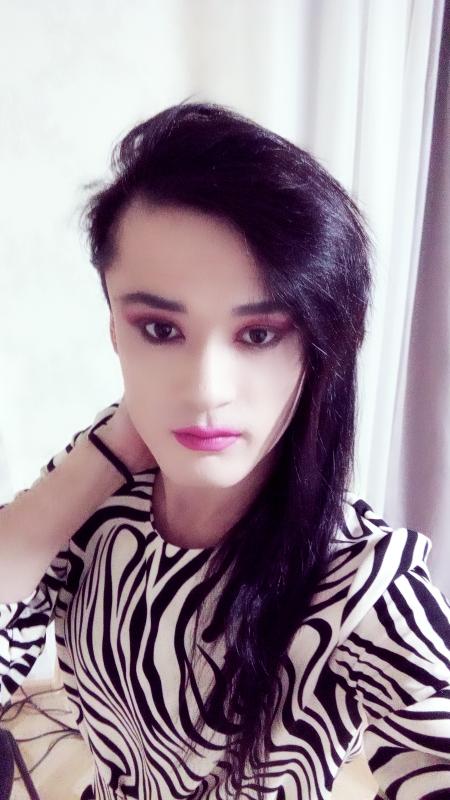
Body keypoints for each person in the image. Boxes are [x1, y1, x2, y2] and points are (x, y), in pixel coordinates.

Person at [0, 100, 449, 800]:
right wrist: (105, 451)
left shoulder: (363, 587)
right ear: (114, 327)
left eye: (259, 335)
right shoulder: (91, 496)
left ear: (318, 346)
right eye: (159, 329)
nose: (207, 390)